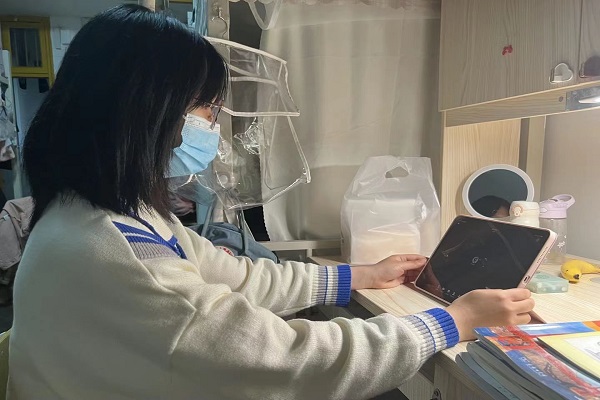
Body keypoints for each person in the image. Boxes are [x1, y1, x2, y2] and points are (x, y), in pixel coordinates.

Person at [9, 5, 535, 400]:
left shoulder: (108, 214)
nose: (212, 127)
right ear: (144, 110)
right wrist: (450, 322)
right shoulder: (114, 251)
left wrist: (360, 276)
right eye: (207, 109)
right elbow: (286, 359)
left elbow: (236, 277)